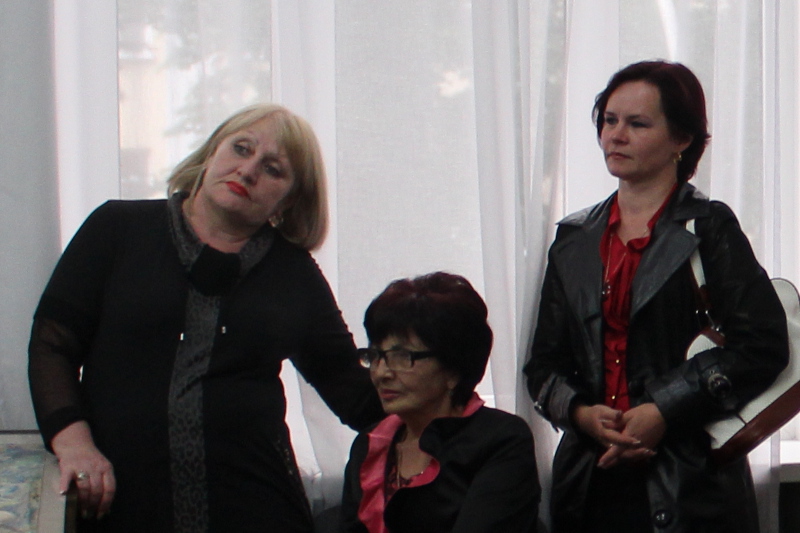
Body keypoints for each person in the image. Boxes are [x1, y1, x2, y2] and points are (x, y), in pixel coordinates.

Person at [28, 103, 385, 533]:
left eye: (273, 169)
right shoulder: (117, 228)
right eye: (241, 148)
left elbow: (350, 389)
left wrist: (439, 391)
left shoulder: (293, 274)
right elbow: (52, 345)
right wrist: (73, 443)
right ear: (212, 151)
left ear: (290, 199)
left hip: (254, 507)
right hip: (120, 499)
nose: (247, 171)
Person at [523, 60, 789, 532]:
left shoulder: (709, 227)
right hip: (589, 476)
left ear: (682, 139)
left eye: (637, 123)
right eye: (609, 120)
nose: (616, 135)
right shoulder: (574, 239)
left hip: (691, 479)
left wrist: (664, 410)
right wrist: (582, 415)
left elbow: (763, 345)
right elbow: (543, 366)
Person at [339, 272, 540, 533]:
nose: (381, 373)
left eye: (402, 356)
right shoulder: (369, 445)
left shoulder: (501, 440)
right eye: (376, 355)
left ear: (453, 370)